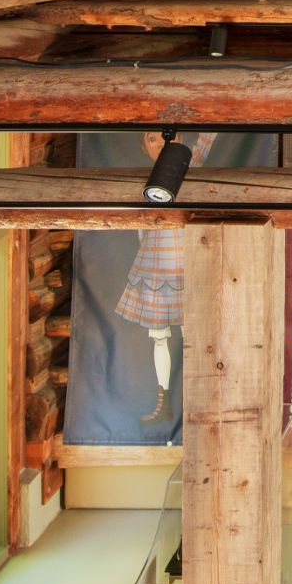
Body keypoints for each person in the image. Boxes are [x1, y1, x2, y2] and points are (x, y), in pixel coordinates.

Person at [117, 132, 217, 427]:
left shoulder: (189, 164)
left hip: (186, 265)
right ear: (144, 145)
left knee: (192, 335)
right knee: (159, 337)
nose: (158, 144)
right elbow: (141, 228)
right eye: (150, 139)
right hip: (153, 266)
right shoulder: (140, 182)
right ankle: (165, 403)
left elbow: (208, 137)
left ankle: (198, 400)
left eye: (163, 138)